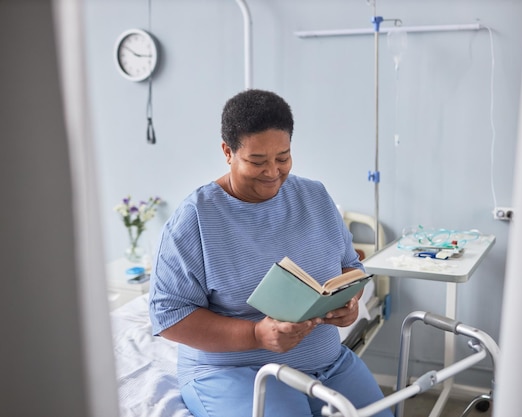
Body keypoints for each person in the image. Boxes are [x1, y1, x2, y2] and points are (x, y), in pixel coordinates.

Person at [149, 89, 393, 417]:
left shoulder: (315, 196)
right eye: (257, 161)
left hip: (327, 365)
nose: (272, 172)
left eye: (283, 157)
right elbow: (168, 315)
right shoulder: (196, 218)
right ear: (228, 152)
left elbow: (351, 267)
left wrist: (350, 303)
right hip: (234, 373)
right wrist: (256, 334)